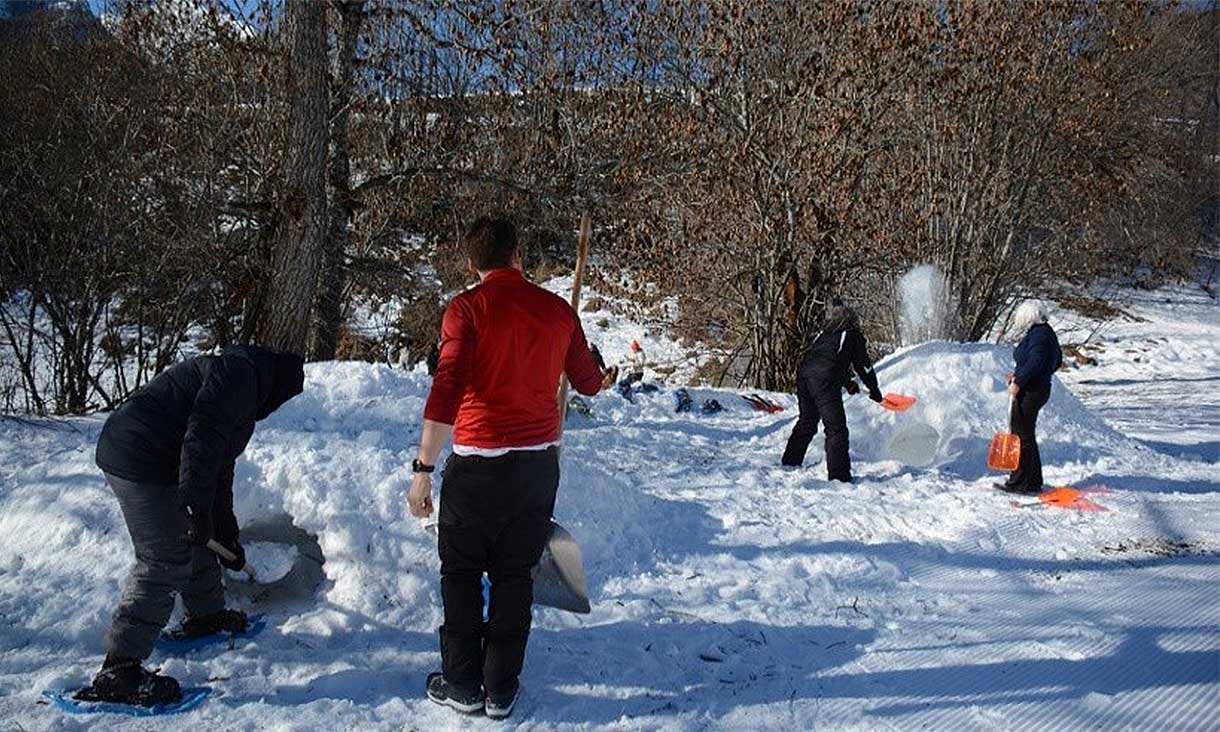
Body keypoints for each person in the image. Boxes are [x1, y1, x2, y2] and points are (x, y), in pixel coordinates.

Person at [408, 215, 604, 719]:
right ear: (518, 255)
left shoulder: (465, 310)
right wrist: (584, 358)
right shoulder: (558, 311)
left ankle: (463, 683)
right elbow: (590, 383)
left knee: (461, 573)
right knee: (516, 575)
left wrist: (423, 468)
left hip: (476, 470)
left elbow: (446, 388)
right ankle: (500, 687)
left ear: (473, 264)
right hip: (537, 468)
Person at [86, 345, 305, 706]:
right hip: (136, 454)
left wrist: (225, 535)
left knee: (195, 533)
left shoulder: (244, 384)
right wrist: (193, 506)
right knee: (165, 557)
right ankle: (118, 670)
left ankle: (206, 615)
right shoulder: (238, 377)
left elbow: (218, 469)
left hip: (159, 455)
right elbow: (202, 440)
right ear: (278, 388)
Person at [781, 301, 883, 481]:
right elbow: (864, 366)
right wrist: (874, 389)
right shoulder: (852, 334)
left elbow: (828, 360)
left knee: (807, 421)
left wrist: (848, 383)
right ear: (852, 320)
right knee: (836, 429)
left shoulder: (824, 333)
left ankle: (790, 462)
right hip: (824, 381)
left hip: (804, 377)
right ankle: (839, 476)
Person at [998, 301, 1062, 494]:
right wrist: (1021, 374)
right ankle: (1033, 480)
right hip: (1037, 388)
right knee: (1027, 435)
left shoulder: (1039, 334)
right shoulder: (1045, 332)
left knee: (1021, 436)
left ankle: (1019, 482)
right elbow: (1056, 360)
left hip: (1031, 391)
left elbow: (1036, 361)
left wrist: (1020, 381)